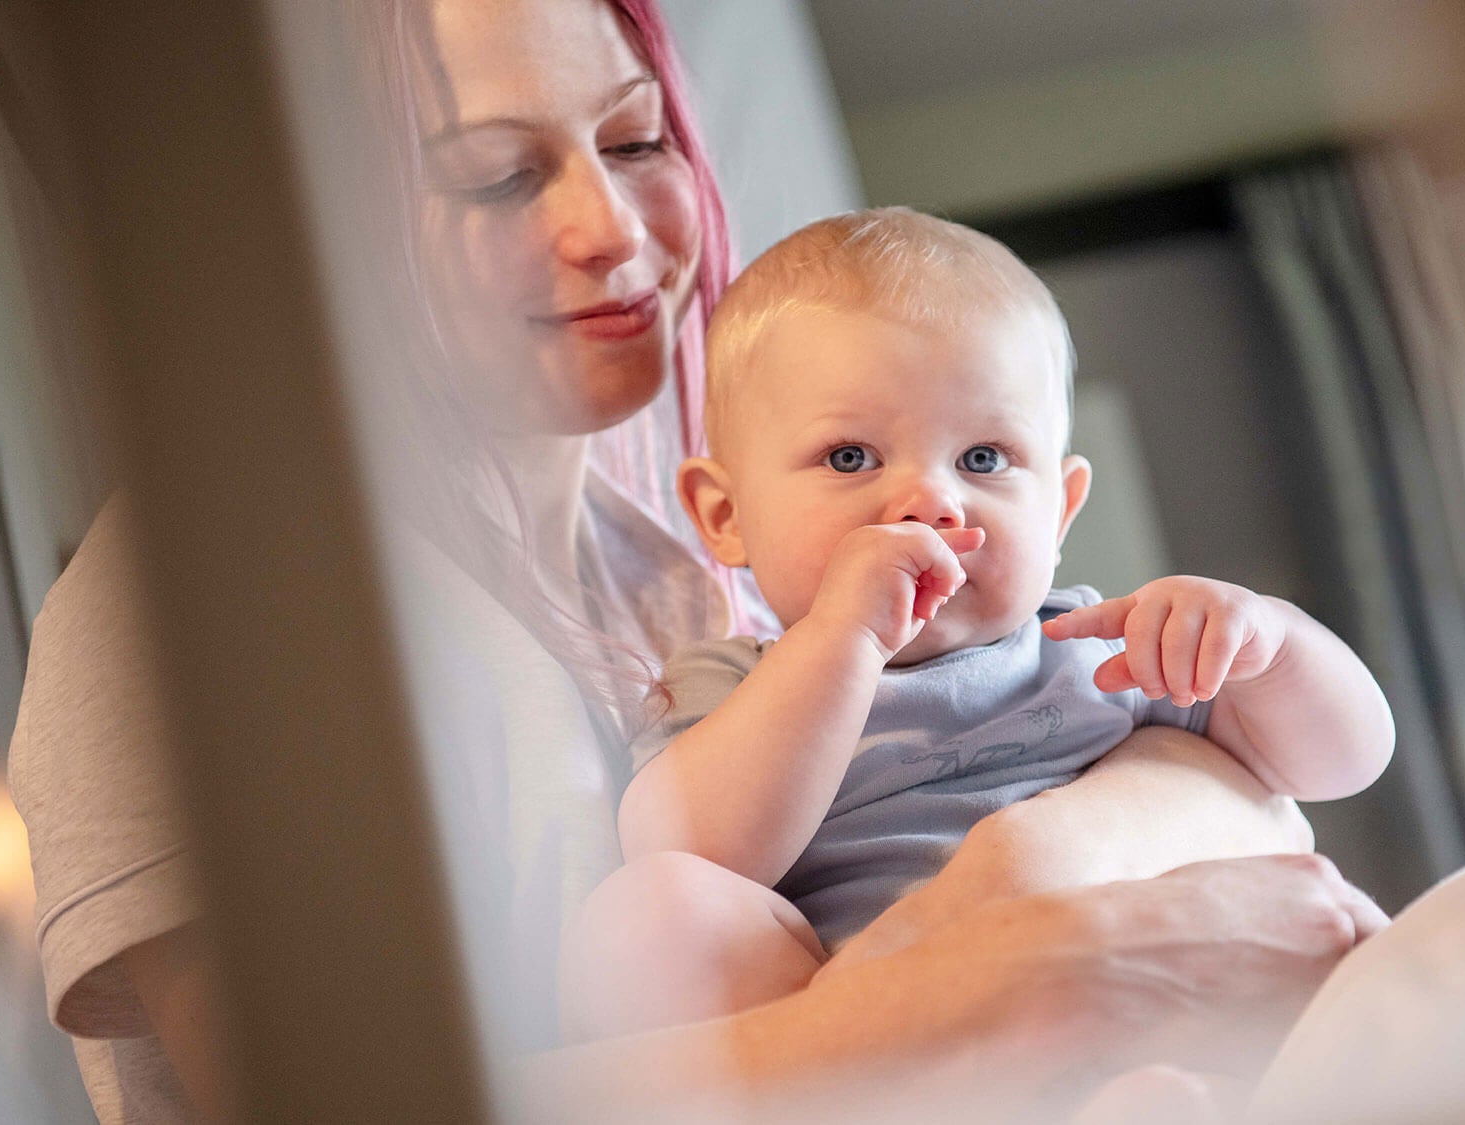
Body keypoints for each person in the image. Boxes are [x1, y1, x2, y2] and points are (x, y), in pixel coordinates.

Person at [8, 1, 1382, 1121]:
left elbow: (1259, 786)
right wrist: (999, 972)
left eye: (637, 138)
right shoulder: (192, 615)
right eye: (494, 174)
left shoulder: (676, 583)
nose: (610, 233)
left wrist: (1160, 766)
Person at [560, 209, 1396, 1039]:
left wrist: (1273, 643)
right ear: (725, 513)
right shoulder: (732, 683)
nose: (932, 498)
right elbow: (698, 854)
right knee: (649, 913)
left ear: (1061, 510)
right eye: (851, 456)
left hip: (1134, 996)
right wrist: (842, 642)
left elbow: (1338, 762)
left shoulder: (1103, 646)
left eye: (983, 458)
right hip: (875, 1027)